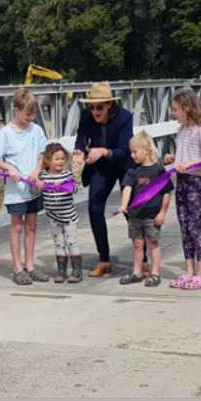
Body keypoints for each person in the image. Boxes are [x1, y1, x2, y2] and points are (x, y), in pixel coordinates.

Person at [73, 83, 139, 278]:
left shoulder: (124, 117)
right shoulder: (86, 116)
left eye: (99, 107)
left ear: (110, 104)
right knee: (94, 208)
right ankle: (104, 260)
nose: (94, 111)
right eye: (91, 107)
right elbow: (80, 138)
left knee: (130, 210)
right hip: (100, 165)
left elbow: (125, 150)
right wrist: (78, 151)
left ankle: (142, 260)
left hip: (123, 163)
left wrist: (103, 151)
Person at [163, 90, 201, 291]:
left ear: (187, 109)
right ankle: (189, 271)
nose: (173, 113)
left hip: (196, 181)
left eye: (176, 109)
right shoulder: (181, 130)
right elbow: (184, 156)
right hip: (182, 180)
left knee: (195, 227)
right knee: (184, 226)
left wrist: (190, 163)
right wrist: (173, 159)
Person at [0, 89, 49, 286]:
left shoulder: (37, 130)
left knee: (31, 226)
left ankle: (30, 266)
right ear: (16, 110)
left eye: (33, 114)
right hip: (16, 189)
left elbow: (43, 154)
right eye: (27, 115)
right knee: (17, 226)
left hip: (32, 186)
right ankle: (17, 267)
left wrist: (38, 169)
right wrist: (10, 168)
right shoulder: (5, 133)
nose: (30, 118)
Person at [117, 132, 173, 288]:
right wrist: (124, 204)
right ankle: (137, 272)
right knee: (137, 243)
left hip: (152, 216)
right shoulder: (132, 171)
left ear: (147, 151)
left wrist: (162, 212)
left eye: (135, 152)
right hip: (135, 215)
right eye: (131, 152)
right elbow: (127, 188)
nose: (132, 155)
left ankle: (155, 273)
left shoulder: (159, 171)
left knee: (152, 243)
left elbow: (166, 193)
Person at [30, 143, 83, 284]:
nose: (60, 162)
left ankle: (77, 271)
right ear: (47, 161)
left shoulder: (67, 175)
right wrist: (38, 187)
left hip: (69, 217)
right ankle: (61, 271)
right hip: (53, 217)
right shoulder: (44, 177)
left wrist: (65, 185)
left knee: (71, 242)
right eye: (57, 159)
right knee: (59, 243)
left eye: (62, 159)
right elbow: (33, 192)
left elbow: (75, 188)